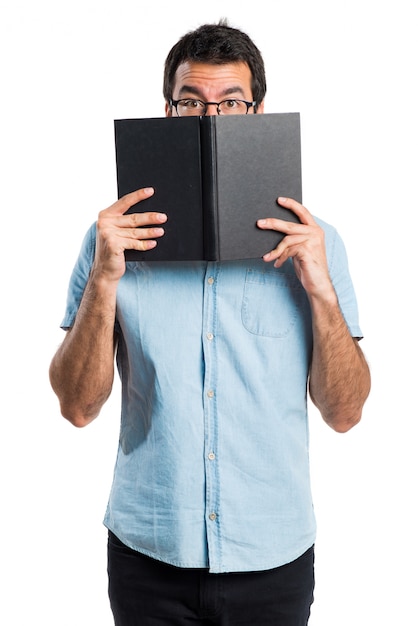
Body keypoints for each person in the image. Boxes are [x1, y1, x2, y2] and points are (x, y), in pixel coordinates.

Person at [49, 20, 371, 626]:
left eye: (231, 103)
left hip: (273, 557)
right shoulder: (110, 240)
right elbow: (76, 406)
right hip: (149, 555)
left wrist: (322, 293)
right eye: (191, 101)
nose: (210, 118)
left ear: (259, 111)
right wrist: (104, 279)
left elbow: (346, 414)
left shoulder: (318, 243)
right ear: (168, 111)